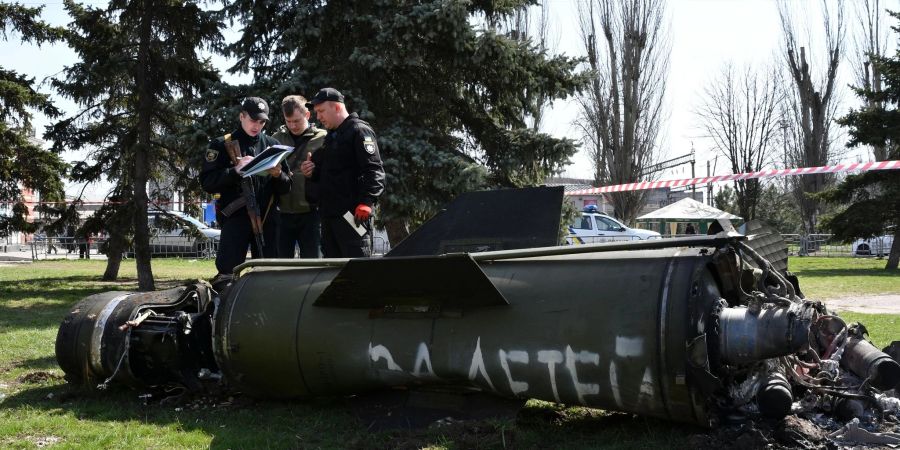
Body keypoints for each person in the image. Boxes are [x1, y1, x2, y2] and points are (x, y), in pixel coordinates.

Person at [200, 97, 292, 279]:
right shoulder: (221, 144)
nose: (257, 126)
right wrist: (235, 171)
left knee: (269, 274)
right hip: (236, 218)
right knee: (227, 273)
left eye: (262, 122)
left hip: (267, 220)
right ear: (241, 116)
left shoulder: (273, 145)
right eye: (253, 120)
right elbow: (207, 182)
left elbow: (287, 187)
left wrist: (278, 175)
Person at [300, 88, 384, 258]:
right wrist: (312, 173)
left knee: (357, 269)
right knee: (332, 272)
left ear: (337, 107)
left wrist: (367, 201)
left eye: (321, 111)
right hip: (330, 217)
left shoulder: (359, 131)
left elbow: (374, 170)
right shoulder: (332, 136)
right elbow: (332, 174)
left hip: (353, 217)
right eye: (316, 112)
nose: (319, 117)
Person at [272, 95, 327, 258]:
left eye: (297, 121)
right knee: (279, 266)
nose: (292, 126)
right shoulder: (276, 139)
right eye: (288, 121)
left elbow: (332, 172)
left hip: (311, 213)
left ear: (307, 115)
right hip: (282, 213)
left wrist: (315, 170)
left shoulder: (323, 138)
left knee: (312, 264)